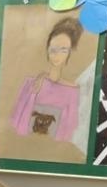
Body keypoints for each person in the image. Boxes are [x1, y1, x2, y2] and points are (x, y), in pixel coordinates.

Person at [9, 13, 85, 142]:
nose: (57, 55)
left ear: (70, 52)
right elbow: (17, 126)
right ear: (47, 49)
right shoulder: (32, 84)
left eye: (63, 50)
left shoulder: (73, 92)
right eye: (53, 50)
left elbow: (70, 133)